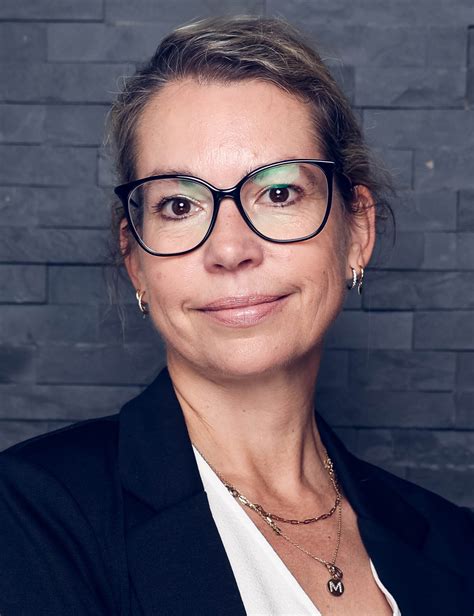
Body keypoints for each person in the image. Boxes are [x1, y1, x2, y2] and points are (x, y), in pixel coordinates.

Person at [0, 14, 472, 616]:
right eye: (179, 205)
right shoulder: (34, 517)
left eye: (278, 193)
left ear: (356, 231)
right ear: (135, 259)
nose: (229, 249)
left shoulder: (454, 545)